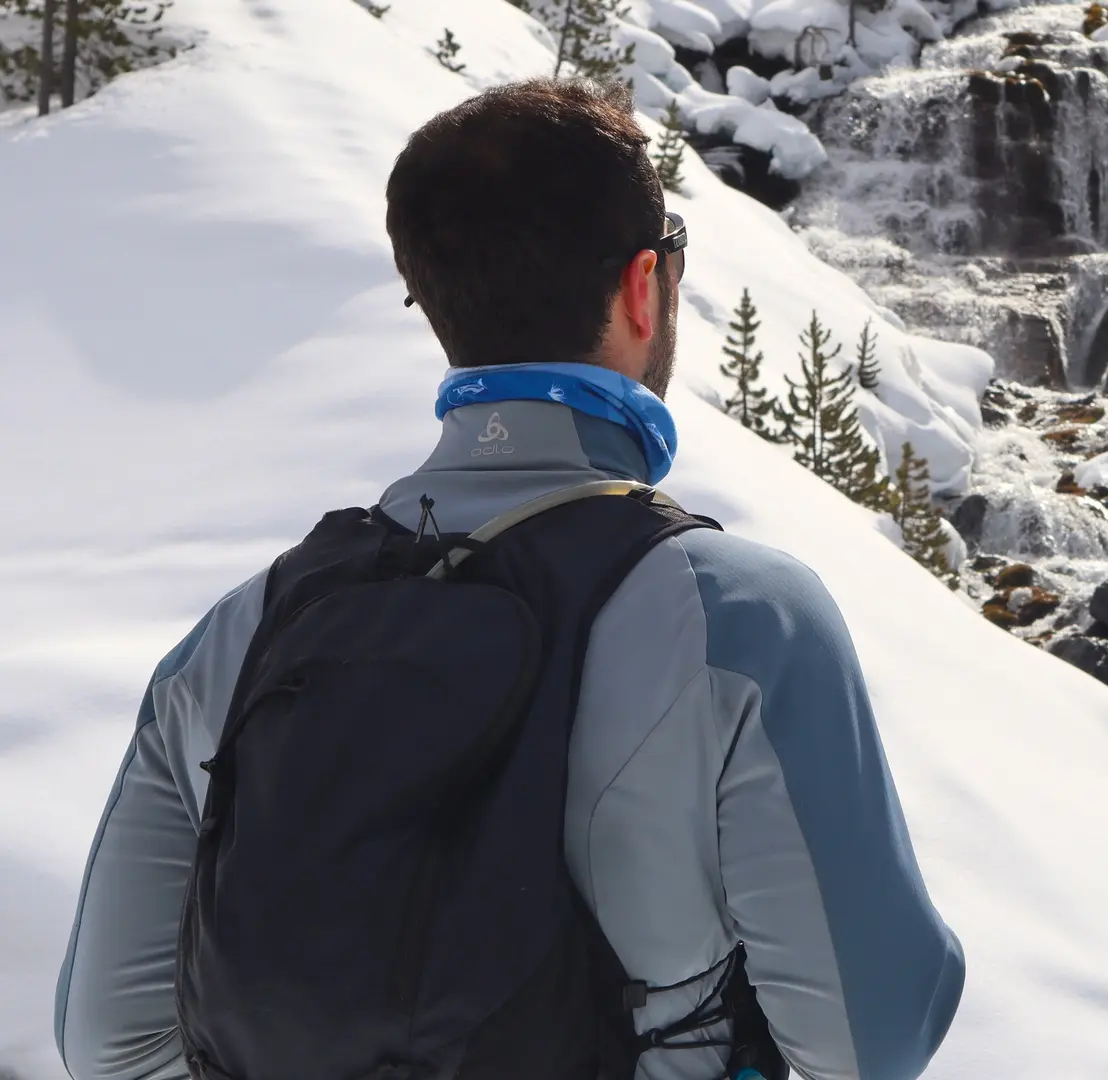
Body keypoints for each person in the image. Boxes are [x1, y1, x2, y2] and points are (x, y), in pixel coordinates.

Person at [53, 78, 964, 1080]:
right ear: (641, 288)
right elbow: (871, 1039)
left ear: (436, 300)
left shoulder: (236, 636)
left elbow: (110, 1043)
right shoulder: (739, 618)